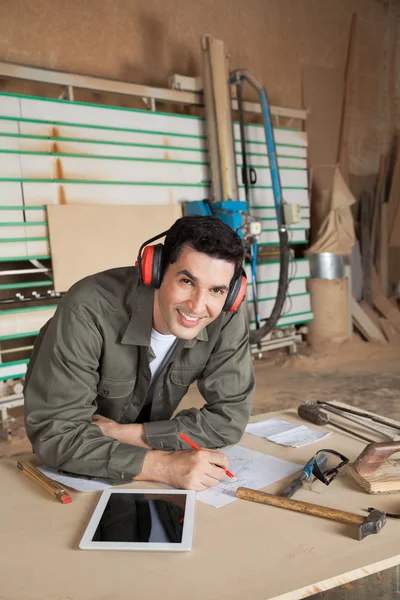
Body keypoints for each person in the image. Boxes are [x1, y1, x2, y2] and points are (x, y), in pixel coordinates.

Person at [24, 215, 255, 491]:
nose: (197, 306)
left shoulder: (225, 315)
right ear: (154, 271)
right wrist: (162, 465)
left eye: (217, 290)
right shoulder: (87, 310)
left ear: (231, 294)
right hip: (78, 477)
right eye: (187, 282)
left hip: (127, 472)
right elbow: (55, 435)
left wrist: (126, 434)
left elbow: (229, 419)